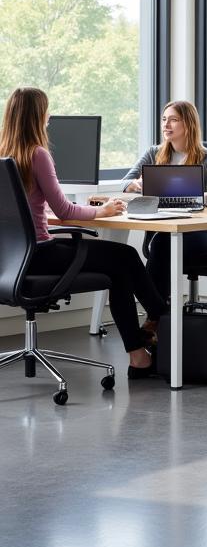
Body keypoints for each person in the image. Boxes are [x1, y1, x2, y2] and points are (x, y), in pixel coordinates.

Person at [0, 87, 166, 378]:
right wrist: (102, 211)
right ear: (38, 116)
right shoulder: (37, 154)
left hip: (10, 259)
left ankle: (139, 356)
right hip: (39, 255)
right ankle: (160, 315)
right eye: (46, 111)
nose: (49, 116)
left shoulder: (4, 155)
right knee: (125, 256)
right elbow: (64, 211)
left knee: (118, 270)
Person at [122, 100, 207, 301]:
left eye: (173, 120)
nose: (166, 125)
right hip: (164, 229)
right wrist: (137, 185)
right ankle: (158, 312)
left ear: (188, 124)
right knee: (162, 242)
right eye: (164, 120)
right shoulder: (154, 153)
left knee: (164, 243)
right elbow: (125, 183)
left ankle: (155, 314)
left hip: (203, 232)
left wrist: (198, 197)